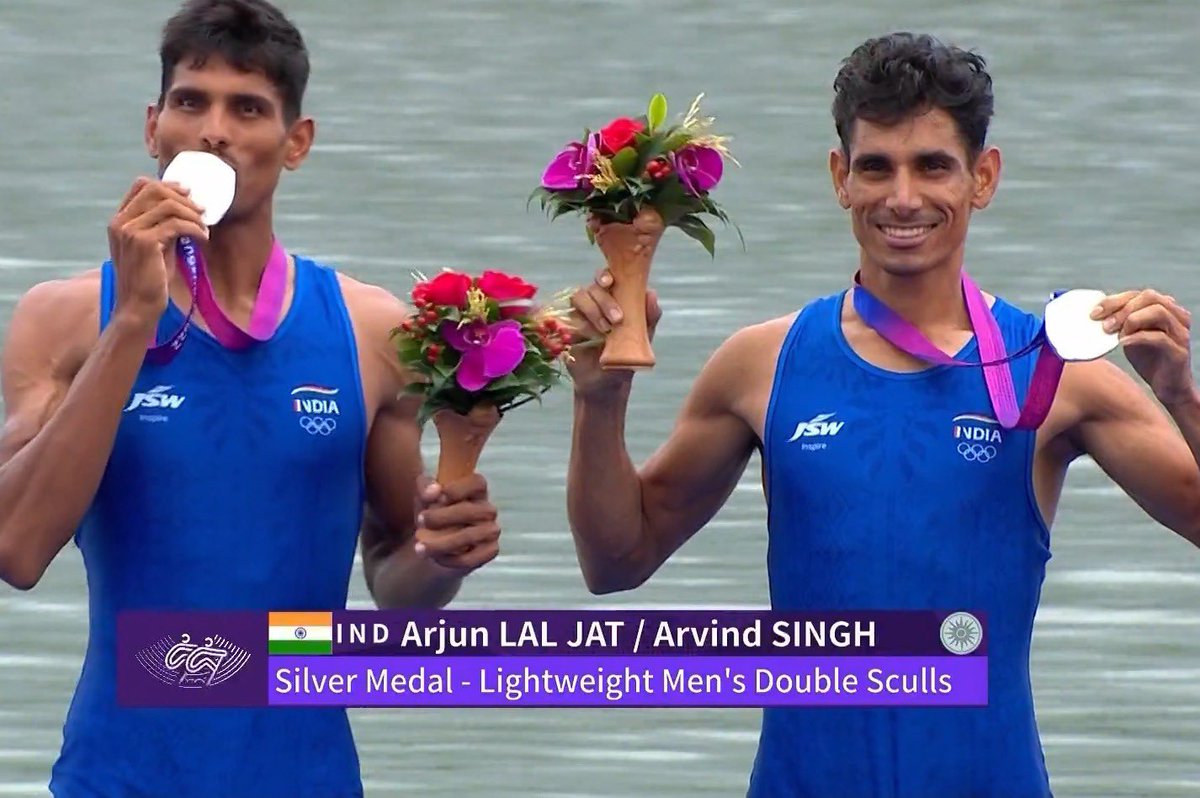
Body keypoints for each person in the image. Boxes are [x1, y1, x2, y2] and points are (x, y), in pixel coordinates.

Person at [567, 32, 1200, 798]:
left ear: (983, 178)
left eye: (933, 165)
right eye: (877, 167)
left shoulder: (1058, 373)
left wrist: (1180, 396)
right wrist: (599, 402)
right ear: (841, 177)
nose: (903, 198)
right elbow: (615, 561)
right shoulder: (760, 365)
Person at [0, 1, 502, 796]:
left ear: (295, 143)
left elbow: (398, 586)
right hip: (117, 777)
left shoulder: (372, 331)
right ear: (153, 128)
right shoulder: (60, 320)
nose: (215, 131)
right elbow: (16, 550)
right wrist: (133, 319)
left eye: (249, 108)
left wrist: (443, 558)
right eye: (190, 101)